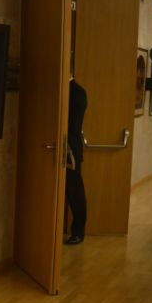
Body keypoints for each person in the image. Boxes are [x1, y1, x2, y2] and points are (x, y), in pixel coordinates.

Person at [65, 76, 88, 244]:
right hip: (65, 147)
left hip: (70, 149)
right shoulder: (66, 90)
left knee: (74, 191)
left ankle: (78, 231)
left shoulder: (76, 92)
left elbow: (72, 125)